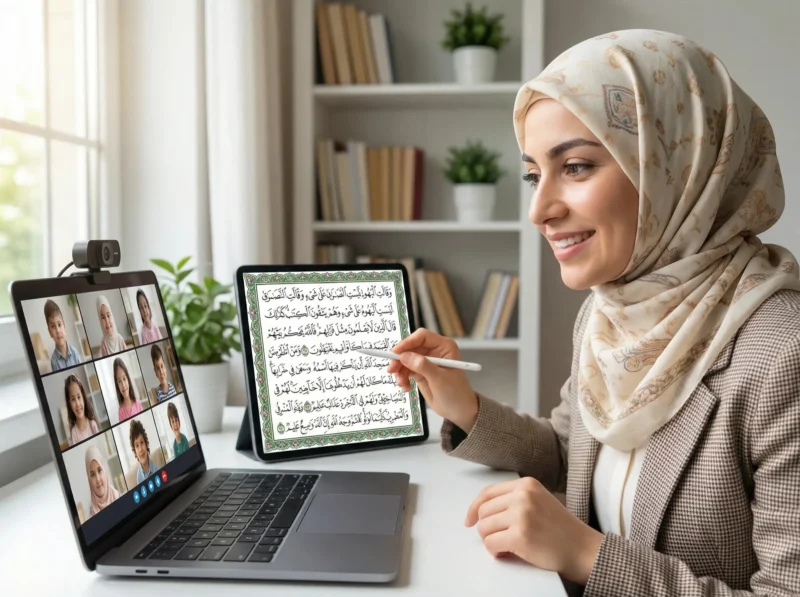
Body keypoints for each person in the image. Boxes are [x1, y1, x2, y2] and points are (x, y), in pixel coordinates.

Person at [388, 29, 800, 596]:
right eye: (534, 174)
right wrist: (463, 405)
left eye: (576, 167)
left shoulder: (784, 352)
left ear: (674, 166)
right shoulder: (610, 314)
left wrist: (587, 555)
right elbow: (567, 455)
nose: (540, 209)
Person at [44, 299, 81, 372]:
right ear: (49, 332)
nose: (58, 330)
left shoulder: (75, 352)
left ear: (64, 326)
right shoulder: (54, 361)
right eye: (53, 326)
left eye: (59, 325)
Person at [84, 444, 120, 518]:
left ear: (104, 471)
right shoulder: (92, 516)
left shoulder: (118, 496)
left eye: (99, 470)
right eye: (93, 474)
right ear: (89, 481)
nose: (98, 479)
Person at [64, 374, 100, 446]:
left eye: (79, 397)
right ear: (69, 403)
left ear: (83, 397)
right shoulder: (74, 433)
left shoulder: (92, 425)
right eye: (73, 399)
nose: (77, 404)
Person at [114, 357, 143, 422]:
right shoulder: (121, 412)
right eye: (119, 381)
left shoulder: (138, 404)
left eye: (124, 379)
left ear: (128, 379)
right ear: (117, 385)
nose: (123, 385)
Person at [129, 418, 158, 483]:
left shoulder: (155, 467)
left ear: (146, 444)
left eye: (142, 442)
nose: (140, 449)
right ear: (135, 452)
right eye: (137, 445)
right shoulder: (138, 477)